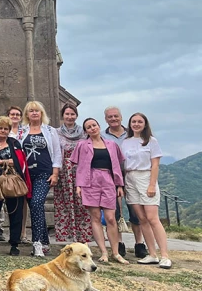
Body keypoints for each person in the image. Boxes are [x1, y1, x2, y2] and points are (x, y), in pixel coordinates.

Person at [70, 118, 127, 265]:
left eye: (94, 125)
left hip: (108, 179)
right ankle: (103, 252)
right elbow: (79, 166)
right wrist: (79, 185)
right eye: (88, 127)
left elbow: (117, 165)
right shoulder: (82, 145)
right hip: (90, 180)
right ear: (86, 131)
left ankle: (116, 252)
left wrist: (119, 185)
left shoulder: (111, 144)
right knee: (95, 217)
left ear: (99, 126)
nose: (92, 128)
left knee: (110, 217)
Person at [122, 113, 171, 269]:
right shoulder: (125, 142)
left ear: (145, 124)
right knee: (141, 218)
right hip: (130, 178)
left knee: (152, 218)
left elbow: (155, 165)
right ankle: (152, 254)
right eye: (133, 122)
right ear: (130, 124)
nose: (136, 124)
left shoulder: (151, 141)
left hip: (146, 177)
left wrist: (152, 184)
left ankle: (165, 255)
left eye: (139, 121)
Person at [20, 101, 61, 258]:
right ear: (27, 114)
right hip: (26, 175)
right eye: (31, 111)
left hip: (44, 173)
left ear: (42, 113)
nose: (34, 113)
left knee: (37, 203)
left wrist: (55, 173)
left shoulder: (50, 131)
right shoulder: (22, 132)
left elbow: (57, 153)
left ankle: (36, 243)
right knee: (35, 207)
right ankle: (45, 243)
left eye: (37, 110)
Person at [104, 106, 146, 258]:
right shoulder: (103, 136)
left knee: (136, 210)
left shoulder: (132, 133)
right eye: (110, 117)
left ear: (121, 117)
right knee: (114, 211)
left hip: (130, 174)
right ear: (106, 119)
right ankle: (119, 243)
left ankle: (139, 243)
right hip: (111, 176)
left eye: (116, 116)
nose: (113, 119)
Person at [0, 117, 30, 256]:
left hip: (12, 180)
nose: (3, 131)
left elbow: (19, 160)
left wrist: (0, 162)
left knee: (15, 212)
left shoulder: (15, 143)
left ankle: (14, 243)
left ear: (9, 131)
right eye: (0, 128)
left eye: (6, 129)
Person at [55, 104, 92, 244]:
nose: (70, 117)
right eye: (67, 114)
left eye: (72, 114)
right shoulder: (56, 132)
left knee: (83, 203)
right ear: (62, 116)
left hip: (81, 170)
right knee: (65, 204)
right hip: (64, 173)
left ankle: (84, 236)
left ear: (76, 115)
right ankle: (68, 236)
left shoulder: (84, 132)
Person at [7, 105, 27, 240]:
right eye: (12, 114)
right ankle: (8, 230)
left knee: (22, 200)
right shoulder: (4, 130)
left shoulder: (25, 131)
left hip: (22, 168)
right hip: (7, 169)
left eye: (17, 114)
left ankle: (23, 232)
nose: (15, 116)